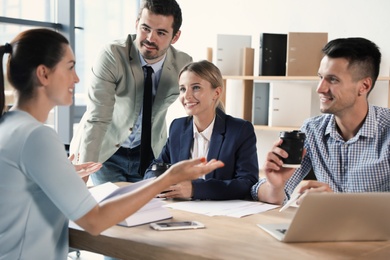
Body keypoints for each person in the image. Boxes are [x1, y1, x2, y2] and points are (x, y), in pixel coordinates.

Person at [0, 28, 224, 260]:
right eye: (70, 67)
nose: (76, 78)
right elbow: (95, 221)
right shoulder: (37, 137)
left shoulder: (9, 126)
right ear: (44, 74)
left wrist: (60, 174)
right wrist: (166, 179)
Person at [251, 37, 390, 205]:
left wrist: (337, 204)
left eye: (333, 79)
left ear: (364, 86)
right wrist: (275, 185)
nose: (320, 89)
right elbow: (269, 195)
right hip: (326, 229)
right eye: (320, 77)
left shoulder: (386, 129)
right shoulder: (312, 129)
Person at [69, 0, 192, 185]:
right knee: (111, 210)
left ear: (175, 37)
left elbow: (200, 105)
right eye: (145, 28)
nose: (150, 38)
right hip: (105, 152)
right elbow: (97, 118)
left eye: (161, 32)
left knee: (149, 212)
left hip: (149, 155)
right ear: (136, 24)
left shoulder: (183, 64)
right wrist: (83, 173)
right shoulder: (112, 55)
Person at [144, 60, 259, 200]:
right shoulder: (178, 127)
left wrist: (195, 189)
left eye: (196, 88)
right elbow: (155, 167)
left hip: (221, 213)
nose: (186, 96)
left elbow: (247, 183)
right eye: (182, 89)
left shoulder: (240, 130)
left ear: (216, 93)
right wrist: (157, 182)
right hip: (181, 208)